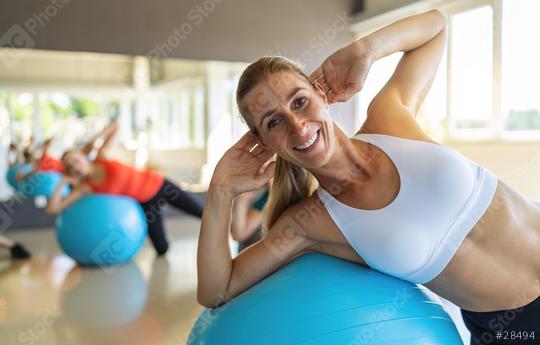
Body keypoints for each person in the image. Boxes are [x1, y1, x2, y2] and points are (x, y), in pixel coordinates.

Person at [197, 10, 540, 344]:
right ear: (263, 143)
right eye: (273, 122)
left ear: (321, 94)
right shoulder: (309, 223)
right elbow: (217, 290)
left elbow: (435, 26)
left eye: (299, 101)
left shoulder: (388, 119)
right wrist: (220, 191)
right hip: (514, 329)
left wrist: (365, 50)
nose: (297, 126)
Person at [46, 121, 204, 256]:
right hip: (147, 204)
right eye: (69, 166)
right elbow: (53, 209)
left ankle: (228, 227)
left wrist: (94, 141)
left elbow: (115, 125)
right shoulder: (87, 188)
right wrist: (63, 181)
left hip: (160, 185)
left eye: (75, 160)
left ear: (83, 156)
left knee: (201, 212)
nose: (75, 166)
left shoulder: (102, 156)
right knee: (162, 249)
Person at [231, 182, 270, 253]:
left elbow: (238, 234)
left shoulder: (272, 195)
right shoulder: (267, 195)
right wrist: (242, 197)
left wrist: (242, 198)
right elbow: (238, 234)